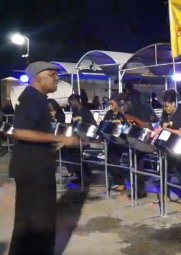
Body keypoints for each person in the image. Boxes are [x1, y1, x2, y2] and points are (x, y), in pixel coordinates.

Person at [9, 61, 79, 255]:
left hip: (35, 167)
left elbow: (35, 133)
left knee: (28, 221)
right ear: (38, 77)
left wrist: (54, 144)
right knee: (40, 222)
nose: (56, 77)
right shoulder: (32, 98)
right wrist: (59, 137)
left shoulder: (37, 98)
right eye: (52, 74)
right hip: (34, 172)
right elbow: (21, 132)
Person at [119, 92, 158, 199]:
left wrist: (134, 119)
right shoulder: (128, 111)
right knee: (132, 166)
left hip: (144, 141)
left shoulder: (142, 108)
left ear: (129, 102)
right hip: (135, 141)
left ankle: (140, 192)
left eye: (123, 105)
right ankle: (137, 190)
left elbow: (149, 126)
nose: (122, 108)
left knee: (137, 167)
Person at [160, 89, 181, 205]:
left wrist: (167, 129)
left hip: (180, 147)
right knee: (163, 171)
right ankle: (165, 195)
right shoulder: (166, 113)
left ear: (174, 103)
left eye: (168, 106)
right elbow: (161, 126)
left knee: (180, 173)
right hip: (168, 146)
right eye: (164, 106)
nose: (166, 109)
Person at [66, 93, 97, 184]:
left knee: (78, 159)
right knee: (73, 158)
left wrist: (87, 138)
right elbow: (73, 125)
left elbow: (93, 125)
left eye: (70, 103)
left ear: (75, 101)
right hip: (76, 139)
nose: (70, 105)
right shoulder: (75, 112)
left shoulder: (85, 111)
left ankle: (86, 178)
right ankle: (81, 177)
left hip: (83, 139)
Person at [102, 95, 128, 192]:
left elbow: (127, 126)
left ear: (117, 103)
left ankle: (121, 183)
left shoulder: (122, 114)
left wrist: (120, 122)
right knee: (110, 162)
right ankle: (117, 181)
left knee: (114, 161)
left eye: (112, 104)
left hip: (120, 141)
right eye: (110, 104)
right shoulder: (109, 113)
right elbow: (104, 124)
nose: (111, 106)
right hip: (111, 140)